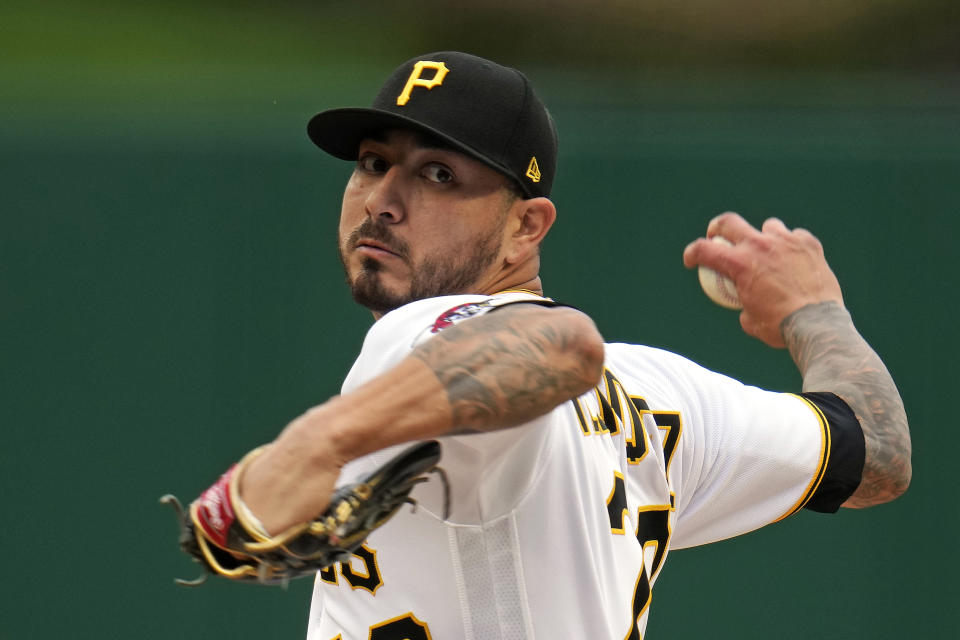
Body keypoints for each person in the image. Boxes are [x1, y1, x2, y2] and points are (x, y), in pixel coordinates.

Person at [234, 51, 911, 638]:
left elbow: (560, 344)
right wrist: (815, 313)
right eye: (373, 162)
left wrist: (315, 444)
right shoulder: (659, 394)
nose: (382, 198)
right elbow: (877, 455)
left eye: (437, 174)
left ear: (526, 227)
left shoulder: (422, 336)